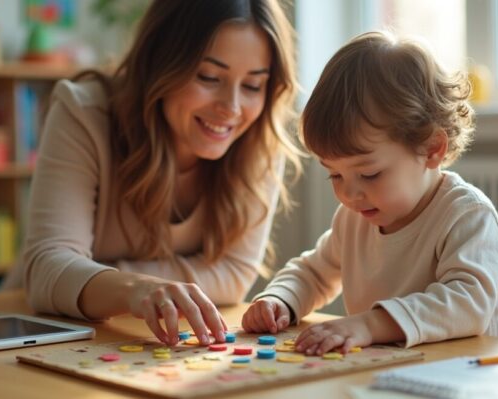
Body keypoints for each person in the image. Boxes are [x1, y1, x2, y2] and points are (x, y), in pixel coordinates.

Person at [17, 0, 300, 347]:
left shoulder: (260, 141)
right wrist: (137, 289)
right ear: (160, 62)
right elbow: (48, 270)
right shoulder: (84, 113)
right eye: (209, 77)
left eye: (253, 86)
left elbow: (234, 276)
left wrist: (98, 275)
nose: (232, 108)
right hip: (43, 333)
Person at [243, 31, 498, 353]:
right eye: (334, 174)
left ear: (431, 148)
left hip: (480, 377)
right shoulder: (353, 219)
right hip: (401, 373)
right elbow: (314, 272)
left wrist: (369, 324)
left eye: (369, 174)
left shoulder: (466, 215)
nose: (349, 194)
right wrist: (280, 299)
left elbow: (468, 304)